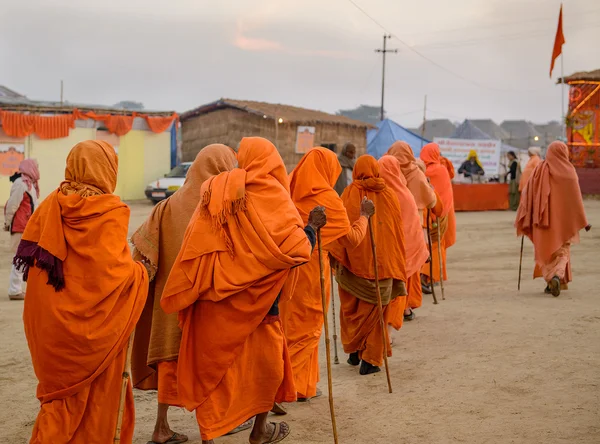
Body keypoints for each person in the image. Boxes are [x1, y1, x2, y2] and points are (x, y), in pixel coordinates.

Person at [160, 137, 326, 444]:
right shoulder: (276, 196)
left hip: (215, 301)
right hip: (262, 308)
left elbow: (195, 245)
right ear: (274, 162)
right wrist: (312, 228)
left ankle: (210, 434)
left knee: (215, 370)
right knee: (268, 369)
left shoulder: (219, 191)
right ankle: (259, 430)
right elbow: (297, 250)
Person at [15, 140, 149, 443]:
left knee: (59, 403)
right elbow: (115, 279)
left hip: (49, 326)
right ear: (108, 169)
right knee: (96, 399)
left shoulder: (49, 206)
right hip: (96, 338)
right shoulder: (110, 212)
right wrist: (142, 274)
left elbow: (38, 274)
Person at [131, 144, 239, 444]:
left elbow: (142, 252)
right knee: (210, 363)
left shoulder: (165, 207)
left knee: (170, 362)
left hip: (169, 305)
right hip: (209, 303)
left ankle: (161, 426)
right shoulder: (222, 206)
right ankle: (211, 430)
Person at [280, 147, 373, 402]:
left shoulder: (287, 191)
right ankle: (288, 387)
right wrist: (364, 217)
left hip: (287, 272)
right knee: (307, 330)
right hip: (311, 274)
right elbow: (351, 240)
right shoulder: (329, 200)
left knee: (290, 328)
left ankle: (302, 385)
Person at [329, 155, 407, 375]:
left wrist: (336, 257)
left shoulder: (348, 194)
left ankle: (355, 351)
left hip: (353, 267)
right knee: (376, 314)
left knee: (353, 309)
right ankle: (370, 360)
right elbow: (396, 234)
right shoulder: (389, 195)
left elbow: (340, 231)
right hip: (382, 268)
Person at [515, 141, 590, 297]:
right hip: (564, 223)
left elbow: (527, 195)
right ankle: (556, 276)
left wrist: (525, 214)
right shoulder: (570, 172)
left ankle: (551, 283)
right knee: (562, 252)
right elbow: (576, 200)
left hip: (541, 222)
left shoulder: (539, 170)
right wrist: (583, 221)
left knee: (545, 252)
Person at [378, 155, 429, 334]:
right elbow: (414, 223)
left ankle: (385, 329)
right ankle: (390, 328)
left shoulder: (374, 193)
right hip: (405, 251)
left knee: (385, 291)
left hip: (383, 253)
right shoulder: (405, 193)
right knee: (400, 288)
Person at [386, 141, 437, 296]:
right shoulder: (417, 173)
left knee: (396, 262)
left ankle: (400, 305)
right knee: (413, 261)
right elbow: (432, 201)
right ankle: (408, 302)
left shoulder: (387, 171)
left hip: (390, 226)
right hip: (415, 224)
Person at [420, 143, 455, 285]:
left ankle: (427, 275)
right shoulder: (442, 170)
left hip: (427, 216)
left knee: (430, 245)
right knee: (437, 245)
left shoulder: (422, 171)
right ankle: (432, 275)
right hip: (442, 214)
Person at [4, 159, 40, 300]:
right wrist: (8, 222)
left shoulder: (30, 184)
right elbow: (12, 204)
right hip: (20, 226)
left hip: (27, 225)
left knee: (24, 258)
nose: (37, 169)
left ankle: (17, 288)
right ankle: (14, 290)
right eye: (35, 166)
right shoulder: (21, 184)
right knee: (20, 257)